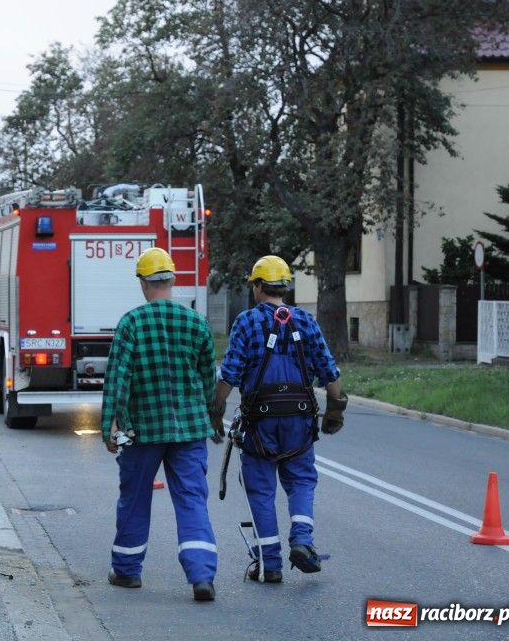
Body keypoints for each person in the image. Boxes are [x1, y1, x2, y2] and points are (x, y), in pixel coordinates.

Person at [213, 255, 347, 584]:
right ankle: (302, 540)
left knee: (260, 490)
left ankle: (269, 564)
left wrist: (215, 413)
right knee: (301, 481)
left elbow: (229, 376)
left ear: (258, 287)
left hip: (259, 422)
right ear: (285, 287)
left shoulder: (245, 322)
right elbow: (330, 371)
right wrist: (334, 409)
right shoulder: (306, 321)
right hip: (300, 420)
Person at [101, 247, 219, 603]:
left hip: (143, 431)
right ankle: (201, 576)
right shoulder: (196, 323)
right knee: (192, 500)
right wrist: (210, 417)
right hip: (189, 430)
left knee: (135, 498)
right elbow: (208, 380)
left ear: (143, 282)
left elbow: (117, 379)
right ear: (172, 279)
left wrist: (109, 423)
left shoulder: (131, 323)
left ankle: (127, 571)